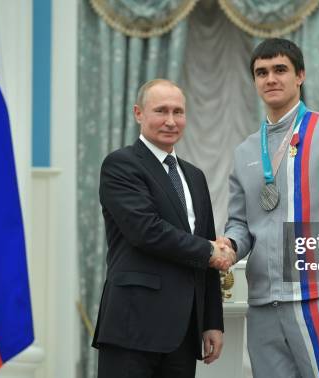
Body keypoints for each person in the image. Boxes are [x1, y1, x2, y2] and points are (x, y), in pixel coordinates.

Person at [220, 38, 319, 377]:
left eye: (280, 70)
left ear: (300, 75)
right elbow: (240, 224)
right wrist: (228, 246)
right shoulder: (245, 151)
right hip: (262, 305)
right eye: (261, 72)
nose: (270, 79)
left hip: (317, 299)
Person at [93, 79, 236, 378]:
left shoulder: (194, 176)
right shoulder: (121, 165)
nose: (171, 121)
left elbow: (206, 249)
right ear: (138, 113)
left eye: (178, 112)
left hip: (183, 333)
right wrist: (211, 249)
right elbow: (147, 230)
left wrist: (212, 321)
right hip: (133, 328)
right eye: (161, 111)